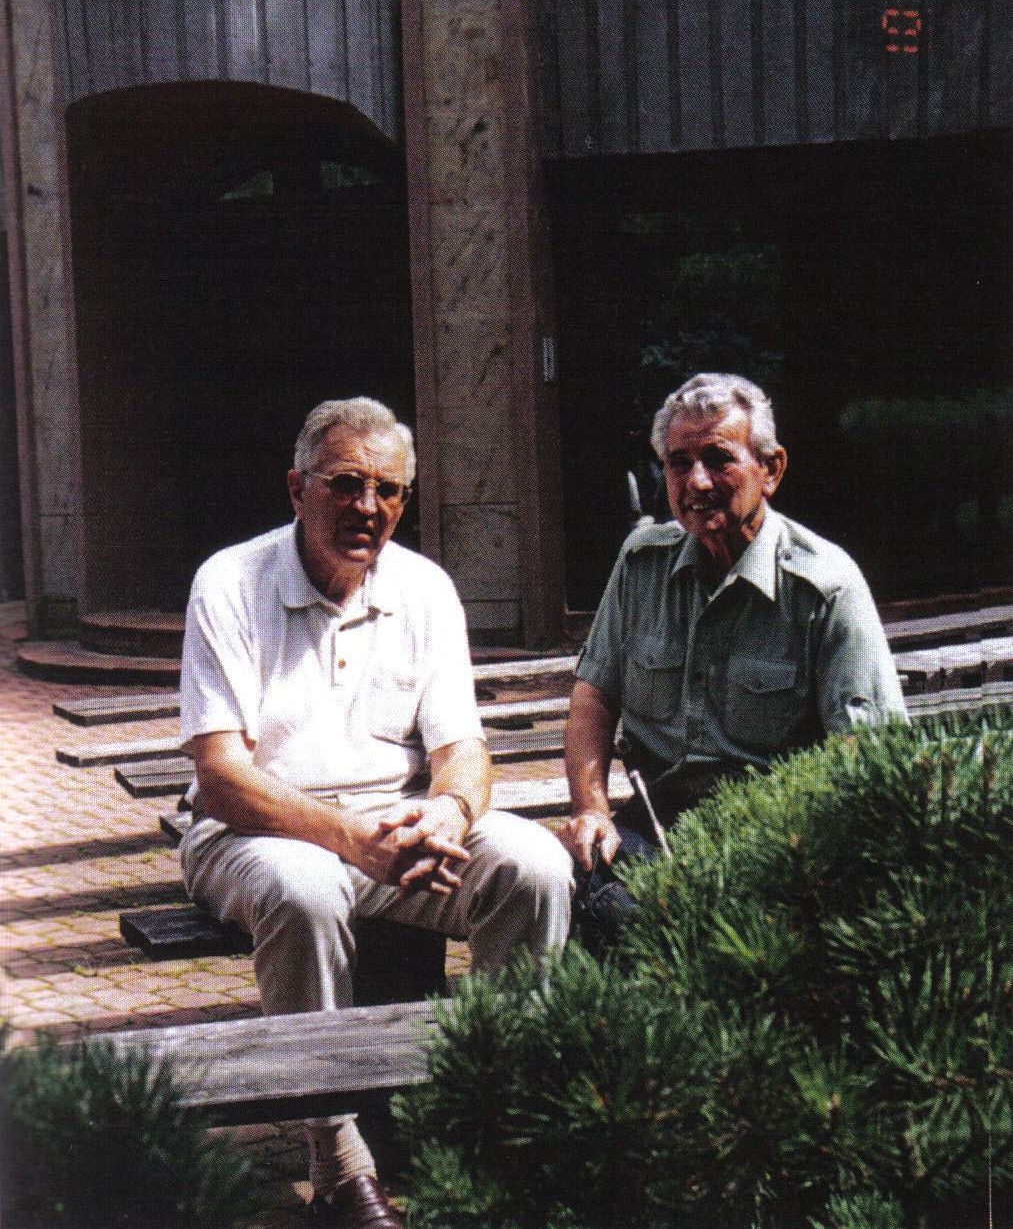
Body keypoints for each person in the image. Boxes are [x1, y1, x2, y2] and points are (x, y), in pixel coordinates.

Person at [178, 397, 572, 1228]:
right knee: (304, 890)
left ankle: (493, 1115)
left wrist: (448, 812)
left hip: (392, 827)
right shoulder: (230, 581)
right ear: (297, 488)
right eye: (345, 484)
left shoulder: (425, 588)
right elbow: (221, 779)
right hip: (256, 829)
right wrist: (351, 840)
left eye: (388, 490)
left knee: (534, 866)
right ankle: (337, 1159)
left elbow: (463, 748)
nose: (368, 507)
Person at [562, 372, 906, 948]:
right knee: (592, 902)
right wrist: (592, 810)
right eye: (678, 463)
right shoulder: (642, 564)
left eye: (719, 459)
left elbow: (865, 759)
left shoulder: (826, 587)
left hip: (780, 838)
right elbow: (593, 699)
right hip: (655, 827)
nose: (696, 481)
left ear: (771, 470)